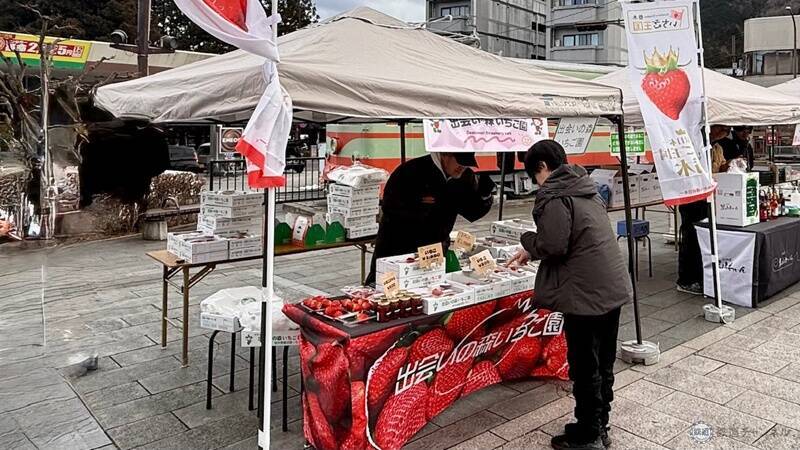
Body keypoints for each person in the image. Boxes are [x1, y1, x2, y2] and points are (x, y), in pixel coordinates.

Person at [507, 140, 631, 450]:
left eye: (534, 174)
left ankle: (588, 433)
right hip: (609, 286)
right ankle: (599, 423)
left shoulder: (555, 195)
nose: (536, 181)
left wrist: (526, 240)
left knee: (584, 362)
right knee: (602, 359)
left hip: (585, 293)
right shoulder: (584, 187)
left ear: (543, 168)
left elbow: (553, 244)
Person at [365, 152, 494, 285]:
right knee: (386, 292)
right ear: (445, 155)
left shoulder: (465, 176)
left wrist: (485, 196)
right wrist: (418, 205)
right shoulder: (411, 170)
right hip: (398, 248)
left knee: (429, 291)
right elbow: (389, 207)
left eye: (467, 163)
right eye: (460, 161)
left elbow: (472, 211)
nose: (463, 167)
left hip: (434, 251)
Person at [677, 125, 730, 294]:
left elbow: (721, 167)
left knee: (704, 237)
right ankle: (685, 280)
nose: (724, 132)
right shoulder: (693, 144)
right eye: (722, 128)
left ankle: (701, 275)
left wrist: (729, 165)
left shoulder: (717, 147)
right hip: (692, 196)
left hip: (709, 197)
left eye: (727, 130)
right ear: (710, 128)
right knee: (691, 237)